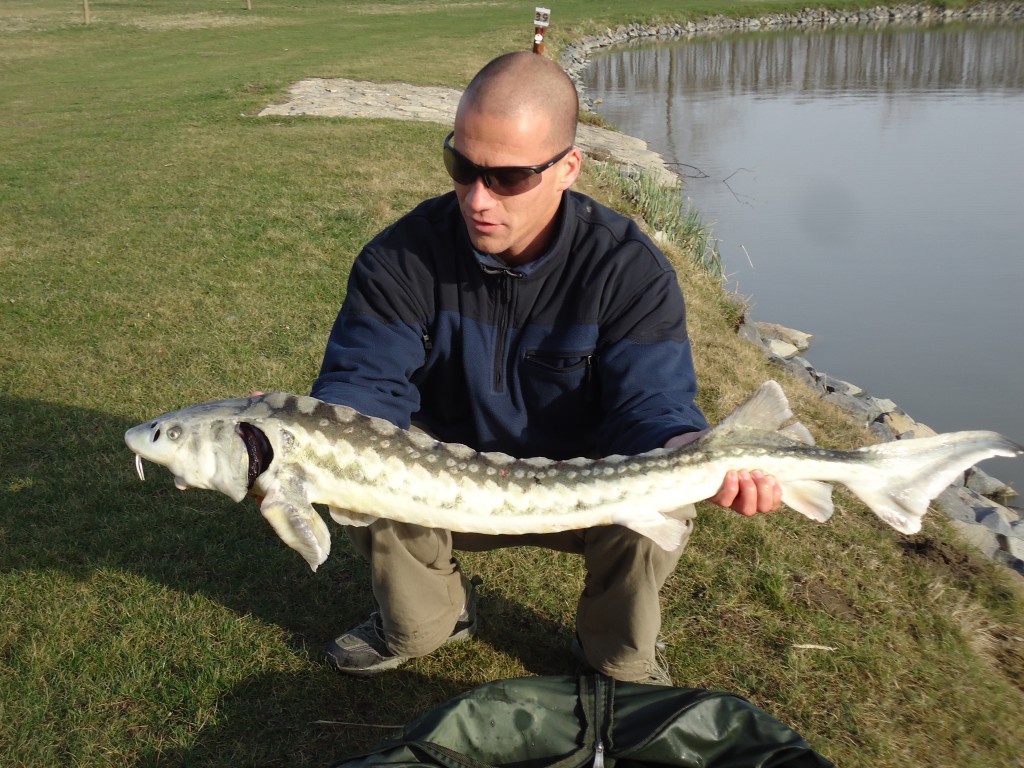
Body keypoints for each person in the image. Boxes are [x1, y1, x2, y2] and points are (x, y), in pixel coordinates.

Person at [310, 51, 782, 685]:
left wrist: (684, 446)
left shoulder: (628, 269)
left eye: (506, 178)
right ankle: (431, 619)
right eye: (462, 165)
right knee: (366, 473)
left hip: (586, 486)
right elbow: (361, 384)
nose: (477, 199)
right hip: (444, 482)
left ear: (567, 168)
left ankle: (618, 653)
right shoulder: (401, 258)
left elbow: (652, 405)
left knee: (665, 494)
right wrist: (310, 434)